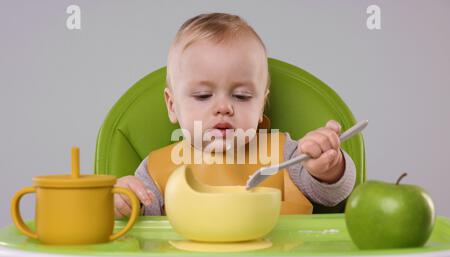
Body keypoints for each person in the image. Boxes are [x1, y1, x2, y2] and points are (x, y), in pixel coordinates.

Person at [113, 13, 356, 218]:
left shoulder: (285, 155)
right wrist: (128, 200)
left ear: (262, 105)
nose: (223, 108)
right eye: (203, 95)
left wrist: (328, 169)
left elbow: (332, 196)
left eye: (241, 96)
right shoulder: (158, 169)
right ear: (172, 106)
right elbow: (140, 218)